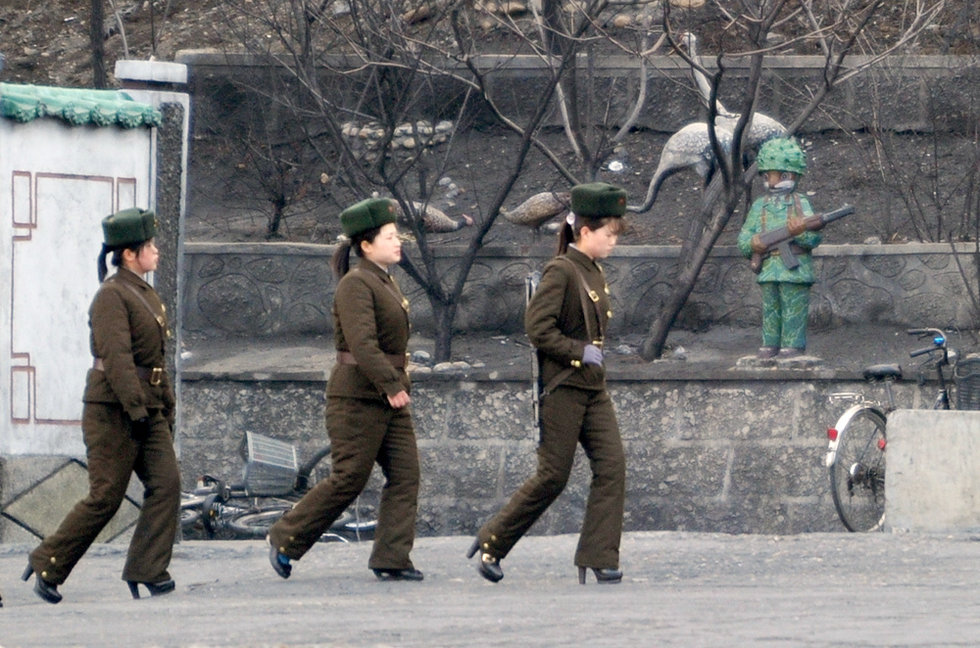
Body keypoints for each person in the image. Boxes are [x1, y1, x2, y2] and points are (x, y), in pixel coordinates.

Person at [467, 182, 628, 585]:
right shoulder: (562, 270)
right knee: (553, 476)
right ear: (585, 232)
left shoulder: (592, 270)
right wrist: (577, 350)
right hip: (565, 389)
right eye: (608, 234)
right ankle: (493, 540)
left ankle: (599, 555)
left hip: (592, 389)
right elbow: (537, 328)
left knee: (612, 466)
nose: (613, 242)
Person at [23, 207, 180, 604]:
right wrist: (137, 410)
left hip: (148, 408)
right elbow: (117, 359)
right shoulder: (111, 296)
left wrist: (163, 406)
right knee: (106, 496)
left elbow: (155, 360)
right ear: (129, 254)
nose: (157, 251)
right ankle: (49, 561)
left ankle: (147, 567)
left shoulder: (143, 292)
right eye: (150, 246)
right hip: (114, 409)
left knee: (167, 485)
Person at [267, 197, 423, 582]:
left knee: (406, 474)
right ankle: (287, 537)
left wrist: (395, 383)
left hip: (388, 393)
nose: (398, 241)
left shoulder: (384, 280)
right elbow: (361, 344)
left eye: (397, 235)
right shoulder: (356, 284)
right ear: (366, 246)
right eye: (389, 236)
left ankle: (391, 557)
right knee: (350, 476)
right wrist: (390, 384)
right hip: (357, 397)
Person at [737, 137, 822, 359]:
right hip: (768, 268)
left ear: (794, 175)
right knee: (771, 309)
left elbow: (813, 238)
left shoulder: (799, 203)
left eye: (782, 176)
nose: (773, 183)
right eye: (768, 177)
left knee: (793, 307)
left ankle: (792, 345)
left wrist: (800, 233)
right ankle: (770, 343)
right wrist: (752, 243)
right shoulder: (759, 206)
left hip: (794, 268)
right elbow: (745, 237)